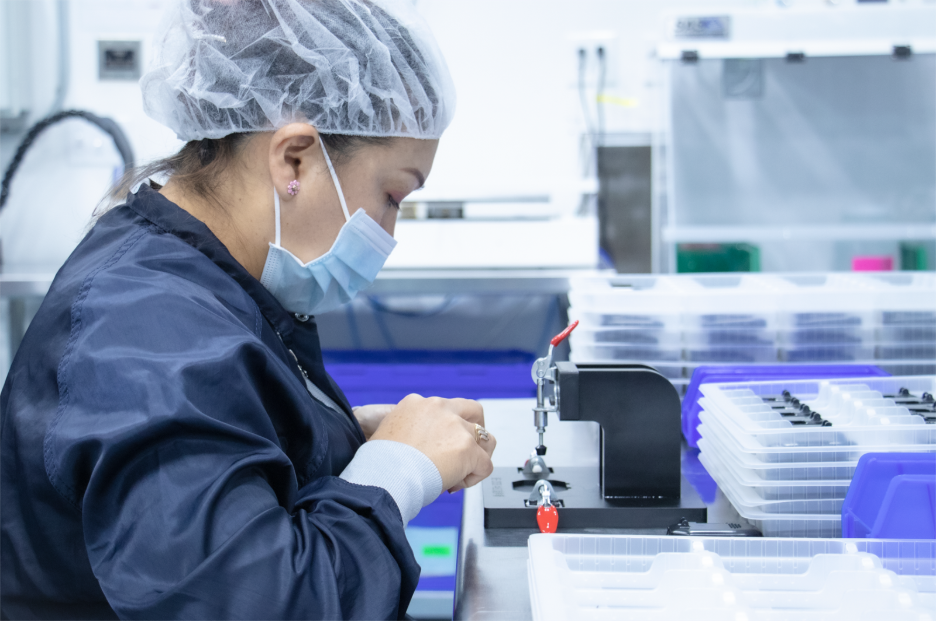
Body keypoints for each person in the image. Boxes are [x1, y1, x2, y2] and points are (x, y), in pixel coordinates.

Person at [0, 1, 496, 619]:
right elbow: (261, 601)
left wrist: (338, 439)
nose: (390, 231)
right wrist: (399, 469)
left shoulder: (191, 273)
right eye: (392, 195)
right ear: (294, 159)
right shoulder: (146, 335)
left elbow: (217, 453)